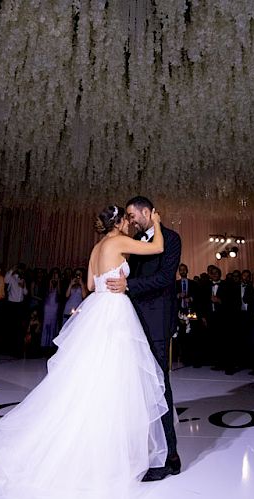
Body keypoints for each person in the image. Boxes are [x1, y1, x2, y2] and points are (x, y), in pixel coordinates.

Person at [0, 205, 168, 499]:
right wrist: (156, 222)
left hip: (98, 307)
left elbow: (93, 285)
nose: (129, 225)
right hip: (115, 311)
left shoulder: (97, 248)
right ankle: (105, 451)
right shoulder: (117, 241)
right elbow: (157, 247)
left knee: (87, 377)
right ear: (118, 223)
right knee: (113, 379)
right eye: (126, 220)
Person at [106, 195, 182, 481]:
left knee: (159, 388)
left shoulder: (171, 239)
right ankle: (144, 451)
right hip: (133, 324)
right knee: (137, 390)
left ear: (147, 212)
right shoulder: (135, 241)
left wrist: (129, 285)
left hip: (157, 324)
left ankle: (168, 458)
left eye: (132, 214)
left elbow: (164, 278)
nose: (130, 219)